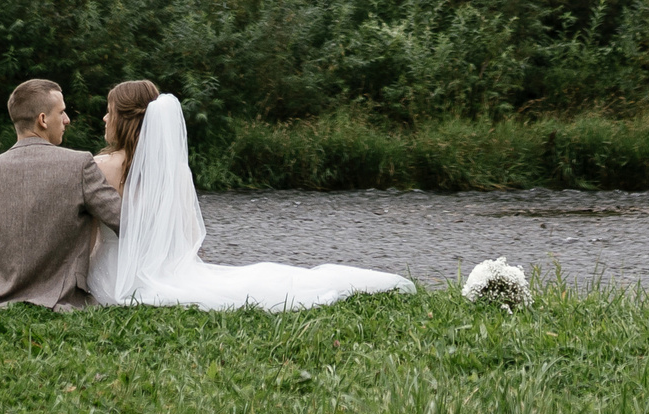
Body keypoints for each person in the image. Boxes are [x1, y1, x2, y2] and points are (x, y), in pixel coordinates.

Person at [96, 87, 414, 310]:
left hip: (113, 275)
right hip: (167, 270)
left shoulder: (99, 167)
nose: (105, 120)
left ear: (124, 120)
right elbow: (191, 237)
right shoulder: (176, 172)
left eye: (109, 112)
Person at [0, 78, 120, 310]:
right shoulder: (79, 165)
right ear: (43, 120)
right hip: (60, 298)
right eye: (62, 112)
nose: (67, 120)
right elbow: (123, 221)